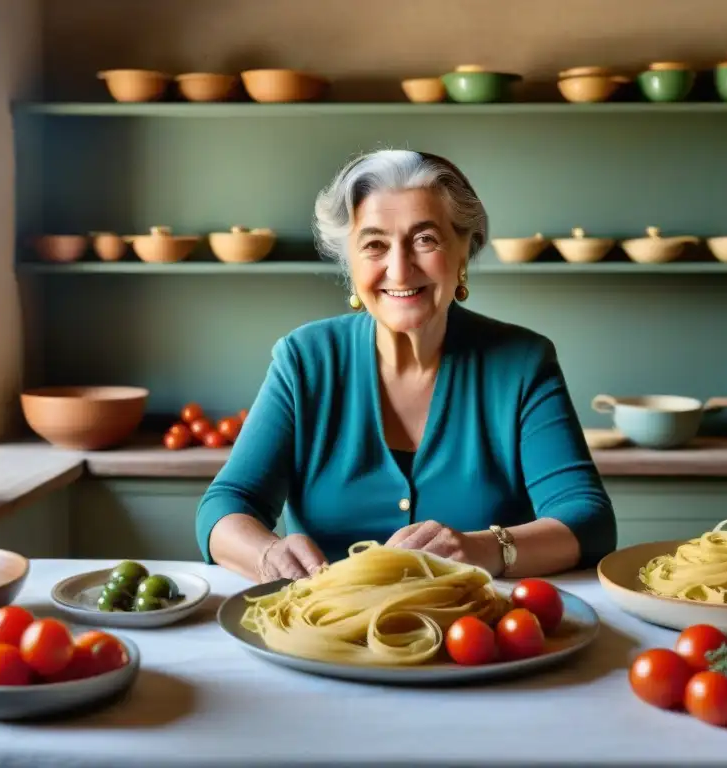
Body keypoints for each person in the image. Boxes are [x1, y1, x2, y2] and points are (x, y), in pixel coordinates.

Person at [195, 149, 617, 583]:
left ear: (462, 254)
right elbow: (226, 505)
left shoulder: (523, 363)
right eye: (375, 245)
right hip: (326, 635)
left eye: (425, 240)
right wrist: (267, 555)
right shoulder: (305, 359)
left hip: (478, 634)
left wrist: (482, 548)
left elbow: (588, 520)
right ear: (351, 264)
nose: (399, 269)